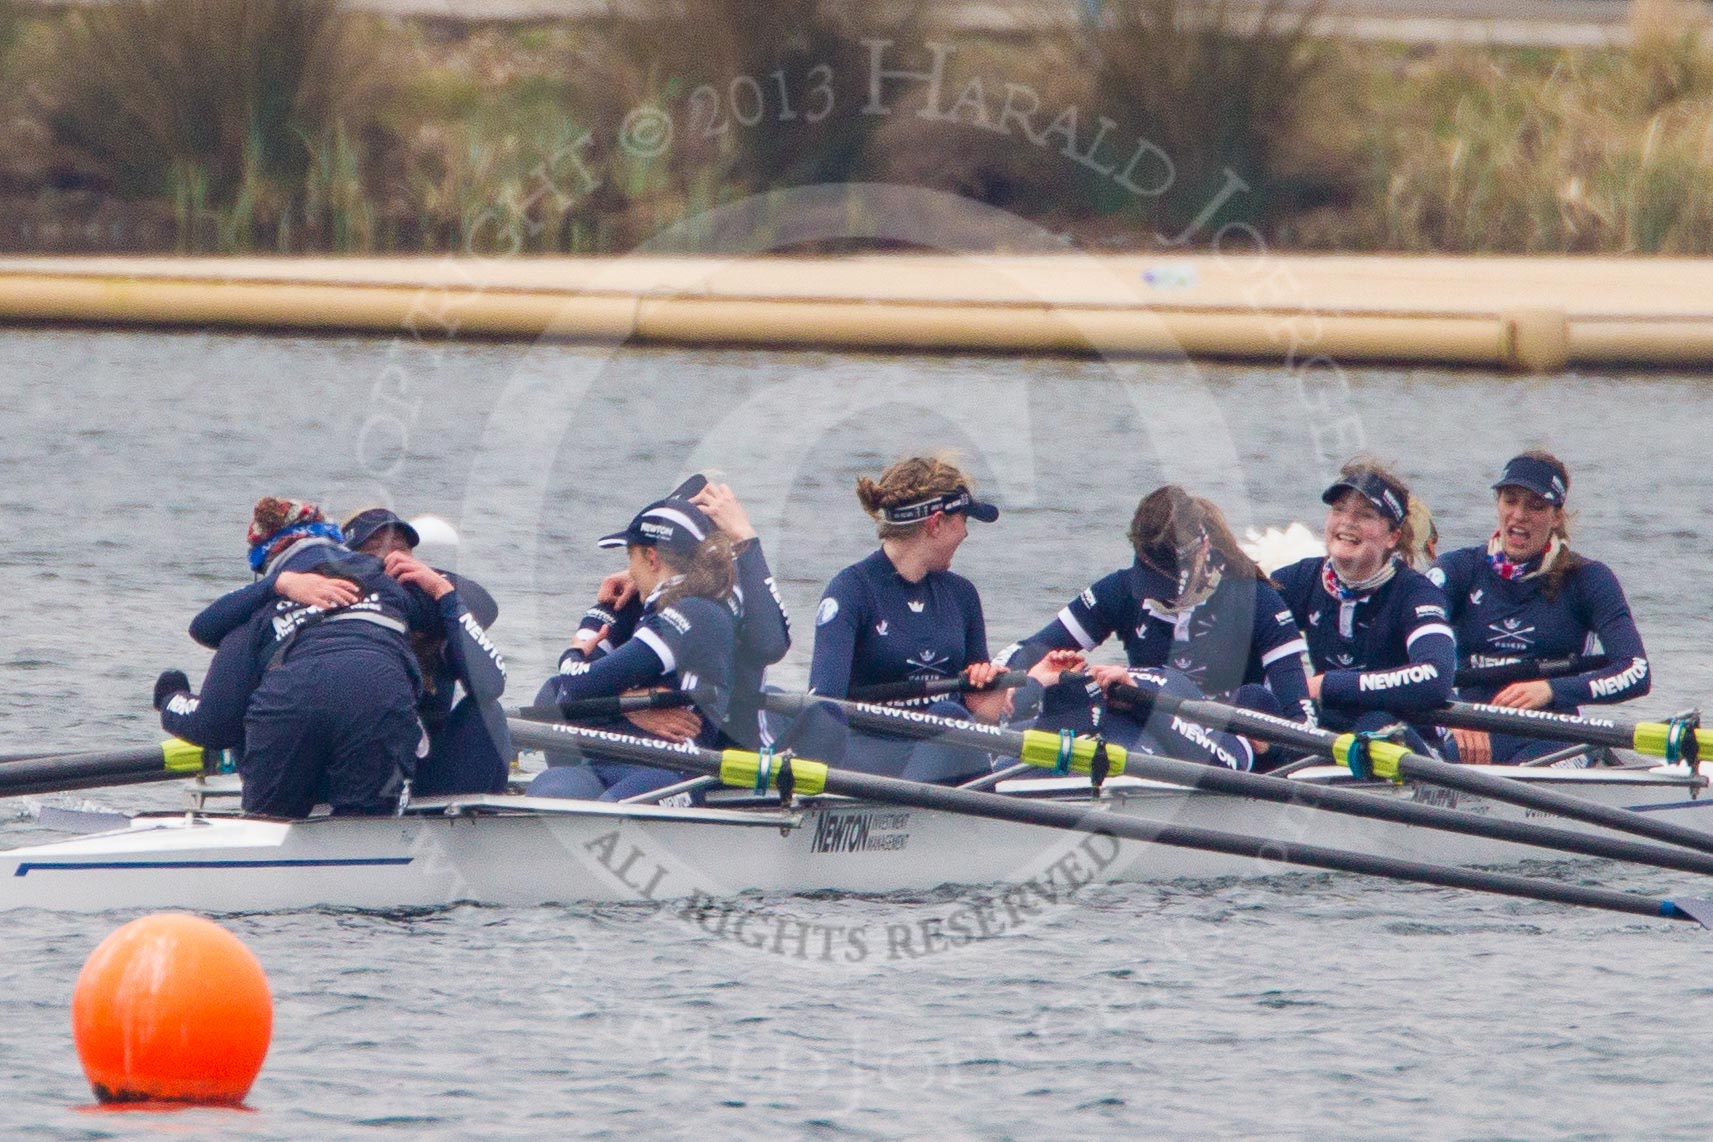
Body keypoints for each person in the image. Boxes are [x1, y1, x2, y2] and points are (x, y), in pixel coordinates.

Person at [159, 504, 511, 797]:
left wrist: (439, 587)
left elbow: (484, 608)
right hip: (325, 760)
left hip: (403, 768)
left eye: (401, 549)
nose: (389, 559)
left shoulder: (424, 600)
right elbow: (205, 636)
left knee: (488, 712)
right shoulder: (286, 606)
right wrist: (279, 584)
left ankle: (467, 828)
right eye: (373, 551)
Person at [802, 456, 1060, 782]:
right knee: (948, 715)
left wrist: (985, 710)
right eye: (963, 520)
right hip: (868, 763)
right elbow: (824, 708)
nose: (966, 532)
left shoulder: (962, 596)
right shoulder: (851, 591)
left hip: (941, 754)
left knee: (952, 716)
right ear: (936, 524)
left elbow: (980, 722)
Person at [1001, 485, 1314, 727]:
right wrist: (1000, 677)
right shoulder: (1121, 590)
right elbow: (1032, 648)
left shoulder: (1257, 602)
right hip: (1143, 736)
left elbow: (1299, 716)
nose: (1161, 596)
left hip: (1225, 747)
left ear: (1203, 550)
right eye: (1151, 580)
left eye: (1170, 582)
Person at [1430, 451, 1649, 764]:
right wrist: (1451, 711)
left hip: (1556, 735)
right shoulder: (1456, 570)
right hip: (1472, 731)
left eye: (1535, 506)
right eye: (1510, 501)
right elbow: (1405, 654)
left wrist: (1551, 690)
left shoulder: (1589, 579)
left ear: (1556, 516)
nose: (1519, 515)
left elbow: (1635, 671)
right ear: (1497, 504)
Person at [530, 495, 739, 801]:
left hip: (673, 773)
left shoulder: (695, 612)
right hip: (608, 761)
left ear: (651, 558)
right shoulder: (656, 607)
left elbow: (580, 682)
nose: (628, 572)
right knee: (548, 794)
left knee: (607, 813)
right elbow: (564, 695)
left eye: (630, 559)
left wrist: (572, 654)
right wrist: (632, 708)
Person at [568, 476, 790, 750]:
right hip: (668, 737)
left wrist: (746, 537)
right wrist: (628, 705)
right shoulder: (642, 583)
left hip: (731, 741)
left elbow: (770, 645)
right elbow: (577, 679)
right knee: (551, 693)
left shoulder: (732, 588)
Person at [1272, 459, 1456, 754]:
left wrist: (1327, 685)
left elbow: (1436, 676)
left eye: (1365, 514)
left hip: (1400, 738)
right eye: (1339, 510)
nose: (1347, 522)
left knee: (1375, 725)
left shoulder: (1415, 593)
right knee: (1254, 698)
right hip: (1329, 734)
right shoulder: (1302, 579)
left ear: (1393, 537)